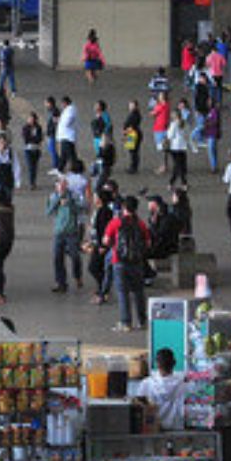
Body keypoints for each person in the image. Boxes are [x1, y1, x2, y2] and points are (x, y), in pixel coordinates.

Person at [102, 196, 151, 332]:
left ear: (124, 208)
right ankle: (142, 321)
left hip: (119, 261)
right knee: (139, 292)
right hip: (136, 262)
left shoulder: (116, 223)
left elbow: (105, 240)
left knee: (122, 293)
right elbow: (148, 243)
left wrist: (114, 245)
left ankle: (126, 322)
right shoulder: (140, 224)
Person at [134, 348, 187, 431]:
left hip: (152, 429)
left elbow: (138, 408)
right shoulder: (182, 384)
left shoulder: (146, 384)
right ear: (174, 363)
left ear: (157, 364)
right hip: (175, 429)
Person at [47, 178, 83, 293]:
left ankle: (77, 275)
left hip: (72, 231)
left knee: (75, 256)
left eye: (63, 186)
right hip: (59, 231)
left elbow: (81, 209)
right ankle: (61, 282)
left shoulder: (74, 196)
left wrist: (70, 204)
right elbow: (48, 212)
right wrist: (58, 200)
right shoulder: (53, 197)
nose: (62, 189)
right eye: (59, 186)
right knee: (58, 257)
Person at [87, 189, 116, 305]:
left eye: (95, 197)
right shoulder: (100, 210)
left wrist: (103, 245)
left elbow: (104, 230)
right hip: (97, 243)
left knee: (94, 267)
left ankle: (102, 290)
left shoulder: (105, 212)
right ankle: (102, 289)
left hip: (101, 245)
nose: (94, 199)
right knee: (97, 268)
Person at [166, 108, 190, 188]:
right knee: (182, 166)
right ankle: (182, 183)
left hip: (175, 147)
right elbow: (187, 134)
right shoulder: (185, 123)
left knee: (177, 166)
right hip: (183, 146)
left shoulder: (173, 124)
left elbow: (170, 136)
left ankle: (174, 182)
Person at [151, 92, 171, 174]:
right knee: (164, 149)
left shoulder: (161, 106)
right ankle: (164, 165)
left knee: (161, 149)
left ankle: (163, 166)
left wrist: (155, 107)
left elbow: (152, 113)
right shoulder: (167, 105)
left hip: (160, 128)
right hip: (163, 127)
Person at [21, 111, 43, 189]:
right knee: (30, 166)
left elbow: (40, 138)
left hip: (36, 149)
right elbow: (26, 139)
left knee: (35, 166)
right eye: (30, 119)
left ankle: (33, 181)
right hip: (28, 149)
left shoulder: (38, 128)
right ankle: (31, 183)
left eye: (33, 119)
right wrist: (34, 139)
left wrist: (33, 139)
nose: (31, 121)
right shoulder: (25, 128)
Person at [57, 96, 78, 171]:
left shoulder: (71, 110)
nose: (62, 105)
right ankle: (60, 168)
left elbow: (67, 122)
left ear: (65, 103)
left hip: (68, 136)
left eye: (62, 103)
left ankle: (75, 168)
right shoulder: (68, 109)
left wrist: (60, 120)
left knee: (70, 155)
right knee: (64, 155)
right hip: (65, 136)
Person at [123, 100, 142, 174]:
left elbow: (132, 126)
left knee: (133, 152)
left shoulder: (135, 115)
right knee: (132, 151)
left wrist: (125, 132)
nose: (130, 107)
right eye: (130, 105)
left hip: (132, 134)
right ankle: (133, 166)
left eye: (132, 105)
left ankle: (134, 167)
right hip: (131, 134)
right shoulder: (134, 114)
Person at [203, 100, 222, 173]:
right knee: (212, 150)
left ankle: (214, 166)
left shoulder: (214, 111)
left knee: (211, 150)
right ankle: (214, 165)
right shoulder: (211, 111)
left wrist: (207, 124)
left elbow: (215, 122)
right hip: (210, 133)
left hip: (212, 133)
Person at [44, 97, 61, 171]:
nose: (45, 104)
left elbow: (55, 122)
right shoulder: (52, 110)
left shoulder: (54, 111)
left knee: (52, 150)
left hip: (53, 133)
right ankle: (57, 164)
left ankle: (56, 166)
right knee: (51, 149)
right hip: (51, 133)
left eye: (46, 103)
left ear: (50, 103)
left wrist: (51, 131)